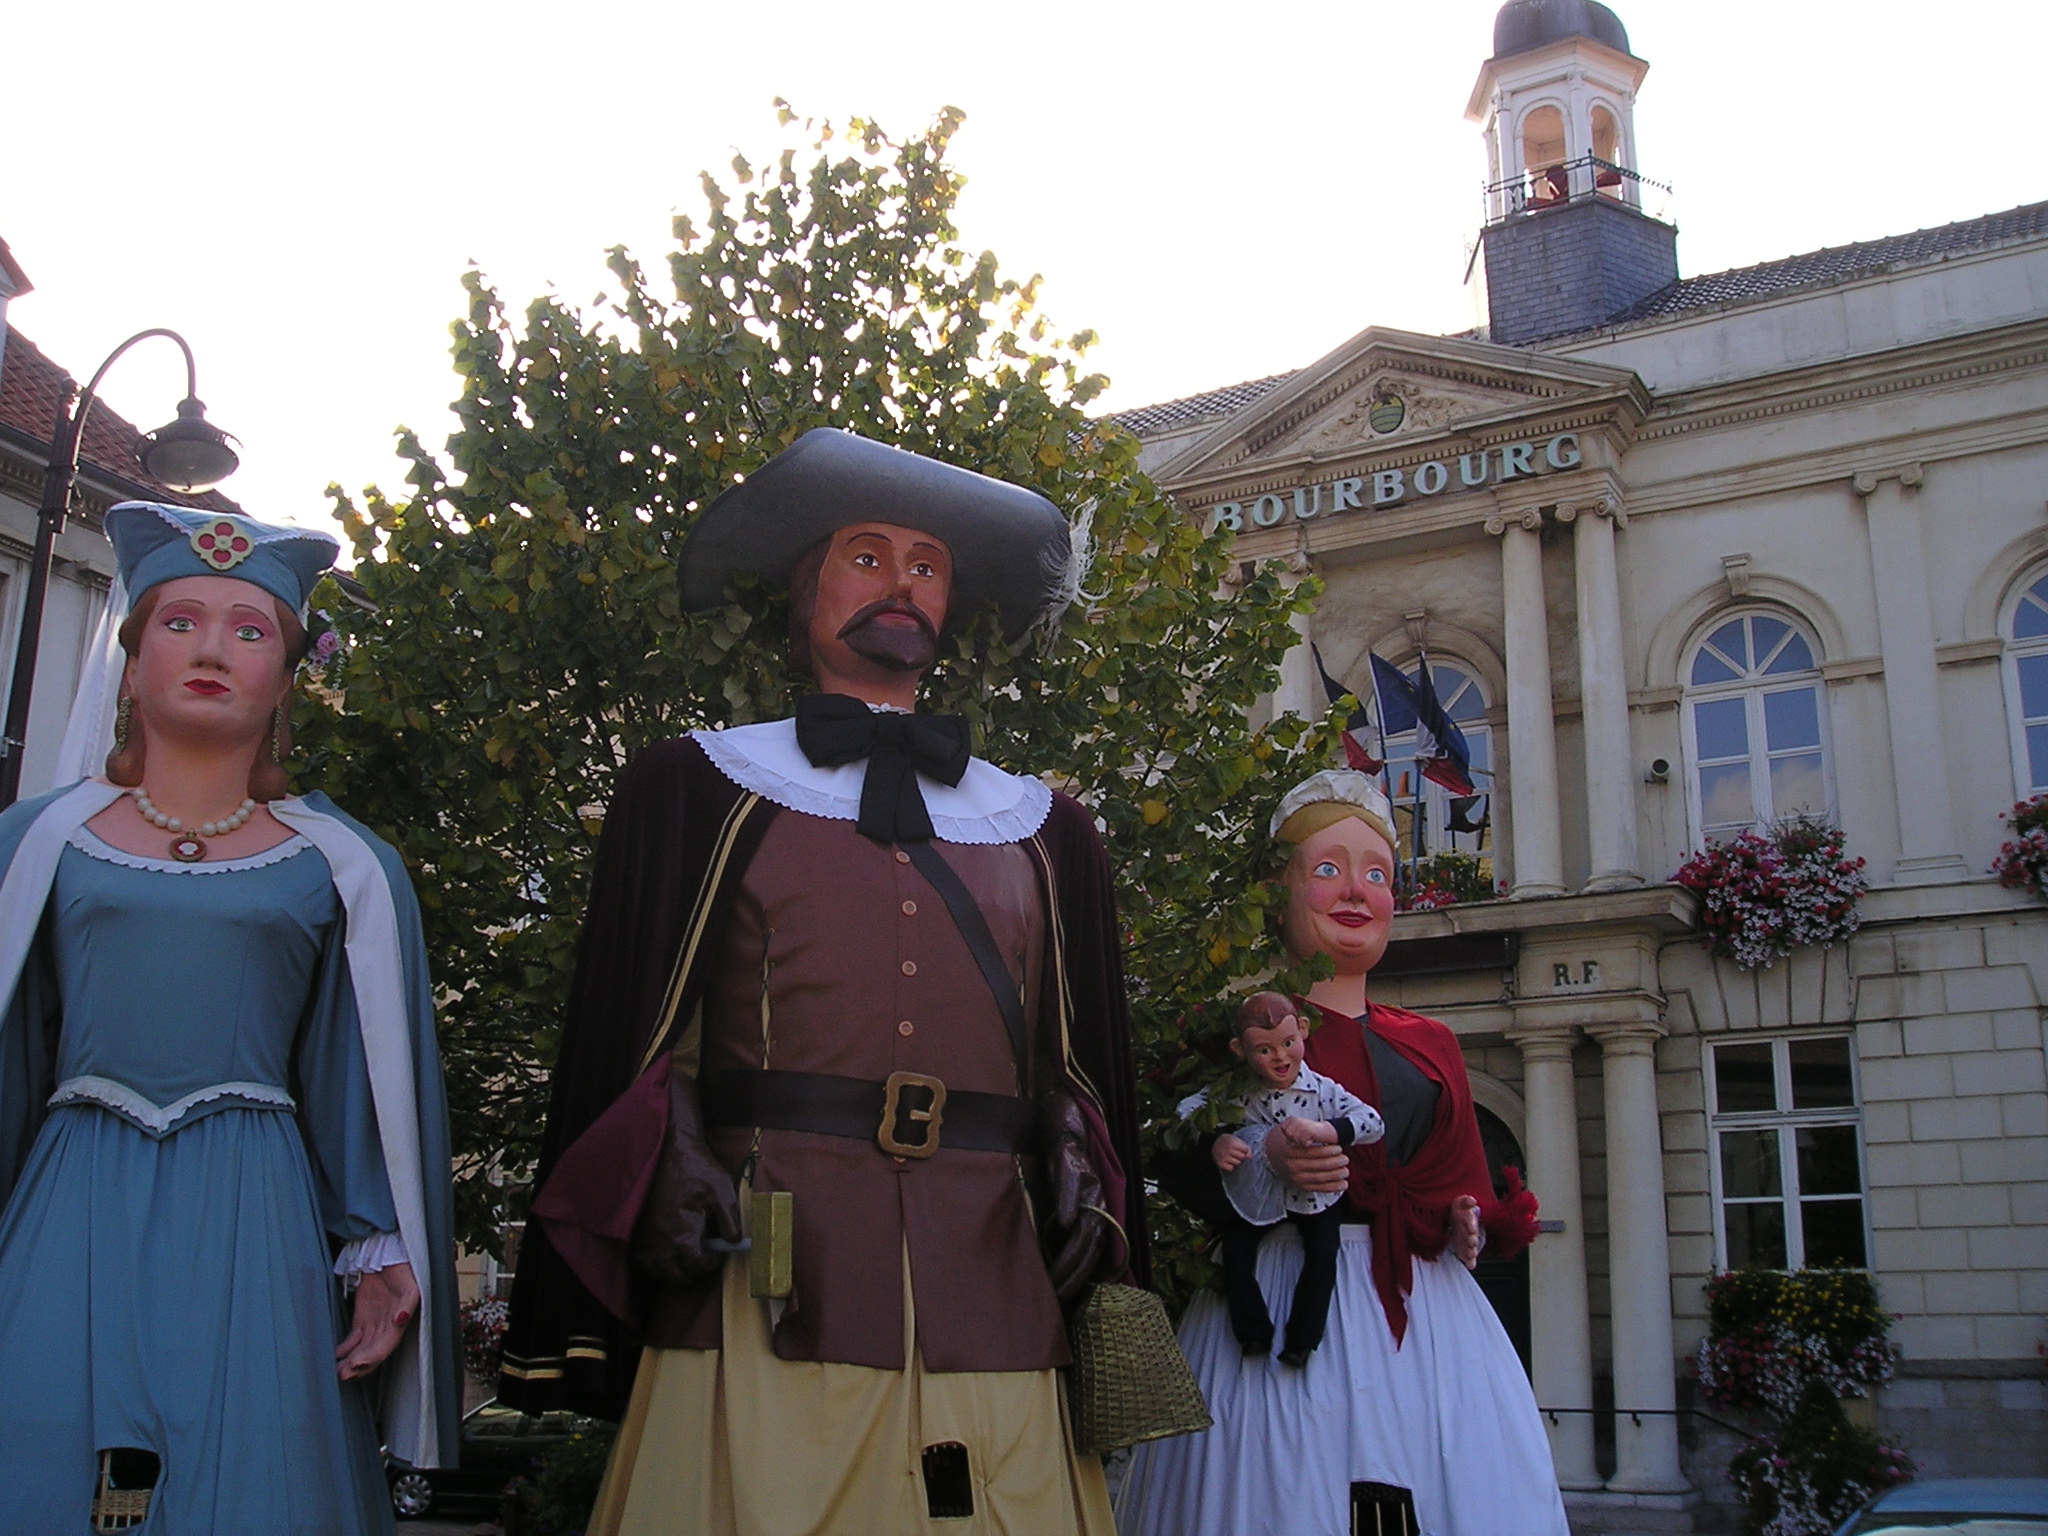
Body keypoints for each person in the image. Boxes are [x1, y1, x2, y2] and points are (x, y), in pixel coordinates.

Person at [496, 428, 1146, 1536]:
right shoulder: (693, 785)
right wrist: (667, 1153)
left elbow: (1079, 1057)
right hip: (768, 1262)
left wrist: (1081, 1146)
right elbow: (635, 1035)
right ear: (803, 593)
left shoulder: (1047, 828)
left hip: (991, 1263)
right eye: (866, 554)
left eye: (926, 565)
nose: (901, 582)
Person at [0, 503, 458, 1534]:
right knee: (45, 1453)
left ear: (287, 682)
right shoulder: (35, 842)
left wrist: (378, 1247)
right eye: (180, 622)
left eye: (250, 631)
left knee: (242, 1472)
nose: (212, 648)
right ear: (129, 666)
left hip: (255, 1205)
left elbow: (357, 1072)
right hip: (73, 1196)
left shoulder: (339, 864)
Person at [1118, 769, 1564, 1536]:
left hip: (1426, 1319)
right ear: (1278, 890)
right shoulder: (1237, 1035)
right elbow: (1168, 1150)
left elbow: (1461, 1184)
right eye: (1327, 869)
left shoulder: (1432, 1046)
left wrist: (1462, 1219)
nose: (1356, 891)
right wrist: (1262, 1164)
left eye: (1378, 874)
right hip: (1279, 1288)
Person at [1209, 991, 1383, 1366]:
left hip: (1315, 1194)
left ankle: (1302, 1341)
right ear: (1240, 1049)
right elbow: (1193, 1111)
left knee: (1322, 1254)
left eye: (1288, 1043)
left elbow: (1372, 1123)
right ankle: (1253, 1333)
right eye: (1265, 1050)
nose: (1281, 1057)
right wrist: (1217, 1140)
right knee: (1235, 1254)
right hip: (1261, 1195)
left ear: (1303, 1031)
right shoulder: (1239, 1093)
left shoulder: (1322, 1089)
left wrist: (1326, 1130)